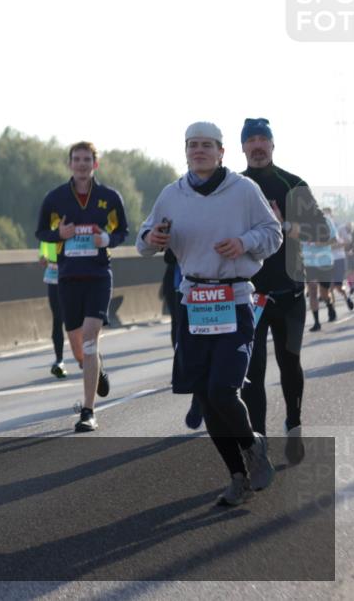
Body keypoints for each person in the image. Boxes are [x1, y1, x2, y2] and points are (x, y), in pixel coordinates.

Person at [137, 121, 281, 507]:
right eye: (192, 145)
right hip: (193, 302)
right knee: (204, 394)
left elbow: (274, 233)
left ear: (221, 152)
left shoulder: (244, 190)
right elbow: (142, 240)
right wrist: (152, 239)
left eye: (206, 145)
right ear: (185, 151)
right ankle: (237, 476)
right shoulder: (172, 194)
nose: (198, 151)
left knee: (223, 389)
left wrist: (244, 242)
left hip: (234, 299)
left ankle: (253, 446)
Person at [239, 118, 330, 464]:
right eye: (252, 140)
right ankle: (258, 444)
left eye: (264, 139)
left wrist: (287, 225)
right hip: (250, 296)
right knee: (252, 372)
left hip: (290, 292)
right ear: (243, 147)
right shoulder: (234, 187)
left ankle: (294, 425)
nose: (258, 145)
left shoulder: (292, 184)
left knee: (289, 365)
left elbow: (321, 231)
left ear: (273, 145)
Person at [35, 141, 128, 432]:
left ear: (95, 164)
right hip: (68, 278)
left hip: (99, 276)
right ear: (70, 164)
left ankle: (88, 411)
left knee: (90, 338)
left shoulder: (109, 197)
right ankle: (94, 367)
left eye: (87, 159)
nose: (82, 164)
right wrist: (58, 234)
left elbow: (122, 230)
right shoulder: (55, 198)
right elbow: (41, 232)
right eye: (77, 159)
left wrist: (107, 240)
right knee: (79, 348)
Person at [39, 240, 68, 377]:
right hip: (53, 275)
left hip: (71, 274)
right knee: (57, 319)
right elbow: (44, 245)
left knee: (76, 320)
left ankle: (88, 358)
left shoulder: (72, 220)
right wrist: (42, 256)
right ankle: (59, 360)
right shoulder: (49, 224)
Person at [324, 207, 354, 312]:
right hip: (327, 260)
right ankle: (332, 310)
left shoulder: (339, 227)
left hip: (339, 259)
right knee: (329, 286)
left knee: (338, 286)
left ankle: (347, 298)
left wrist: (335, 245)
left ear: (332, 215)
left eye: (328, 214)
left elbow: (347, 241)